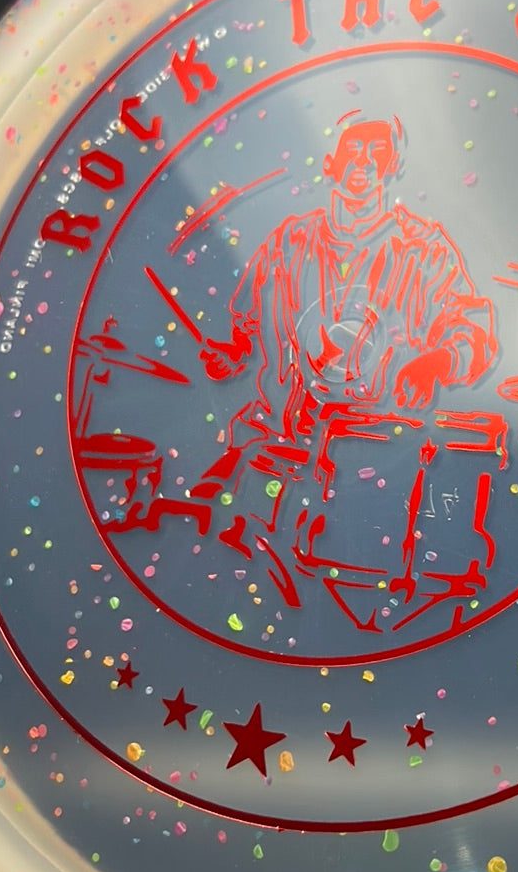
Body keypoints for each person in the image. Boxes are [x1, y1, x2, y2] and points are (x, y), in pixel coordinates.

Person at [186, 112, 500, 620]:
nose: (364, 162)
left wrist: (438, 360)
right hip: (276, 456)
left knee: (357, 607)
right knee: (235, 591)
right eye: (354, 148)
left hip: (372, 473)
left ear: (394, 165)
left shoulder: (423, 251)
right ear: (331, 163)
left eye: (378, 150)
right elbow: (240, 331)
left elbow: (471, 327)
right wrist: (228, 356)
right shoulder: (289, 243)